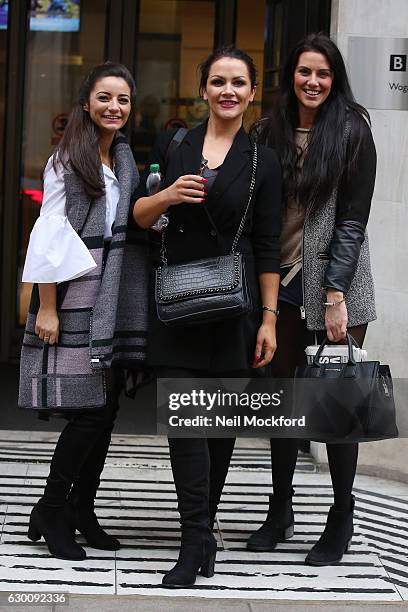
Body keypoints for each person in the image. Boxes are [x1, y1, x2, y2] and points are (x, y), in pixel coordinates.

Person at [133, 46, 281, 587]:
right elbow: (138, 215)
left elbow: (267, 244)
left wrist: (269, 319)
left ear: (250, 92)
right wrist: (169, 194)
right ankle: (194, 536)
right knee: (184, 427)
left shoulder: (263, 160)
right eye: (218, 81)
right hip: (176, 304)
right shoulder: (175, 144)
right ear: (203, 90)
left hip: (233, 310)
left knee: (215, 430)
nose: (228, 91)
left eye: (238, 83)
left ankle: (204, 530)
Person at [247, 33, 377, 566]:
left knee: (335, 407)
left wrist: (335, 293)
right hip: (281, 279)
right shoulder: (267, 130)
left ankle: (341, 515)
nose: (313, 82)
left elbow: (352, 219)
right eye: (305, 72)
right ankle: (280, 511)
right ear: (291, 75)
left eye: (323, 73)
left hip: (335, 283)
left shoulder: (352, 131)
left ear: (335, 77)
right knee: (283, 405)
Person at [19, 62, 149, 560]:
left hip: (112, 298)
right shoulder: (67, 160)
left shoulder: (123, 158)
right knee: (89, 413)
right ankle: (53, 508)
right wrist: (46, 306)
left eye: (123, 99)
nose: (114, 107)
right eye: (105, 97)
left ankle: (81, 509)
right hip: (74, 296)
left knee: (107, 408)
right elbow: (49, 233)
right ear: (86, 102)